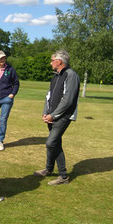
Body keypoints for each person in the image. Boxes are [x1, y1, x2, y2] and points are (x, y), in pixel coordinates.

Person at [34, 50, 80, 185]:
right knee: (55, 143)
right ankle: (49, 169)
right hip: (51, 116)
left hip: (63, 116)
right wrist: (45, 112)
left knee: (51, 143)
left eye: (52, 60)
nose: (50, 63)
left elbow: (68, 100)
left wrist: (53, 115)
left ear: (59, 61)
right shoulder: (56, 76)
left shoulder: (71, 75)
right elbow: (48, 96)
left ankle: (63, 176)